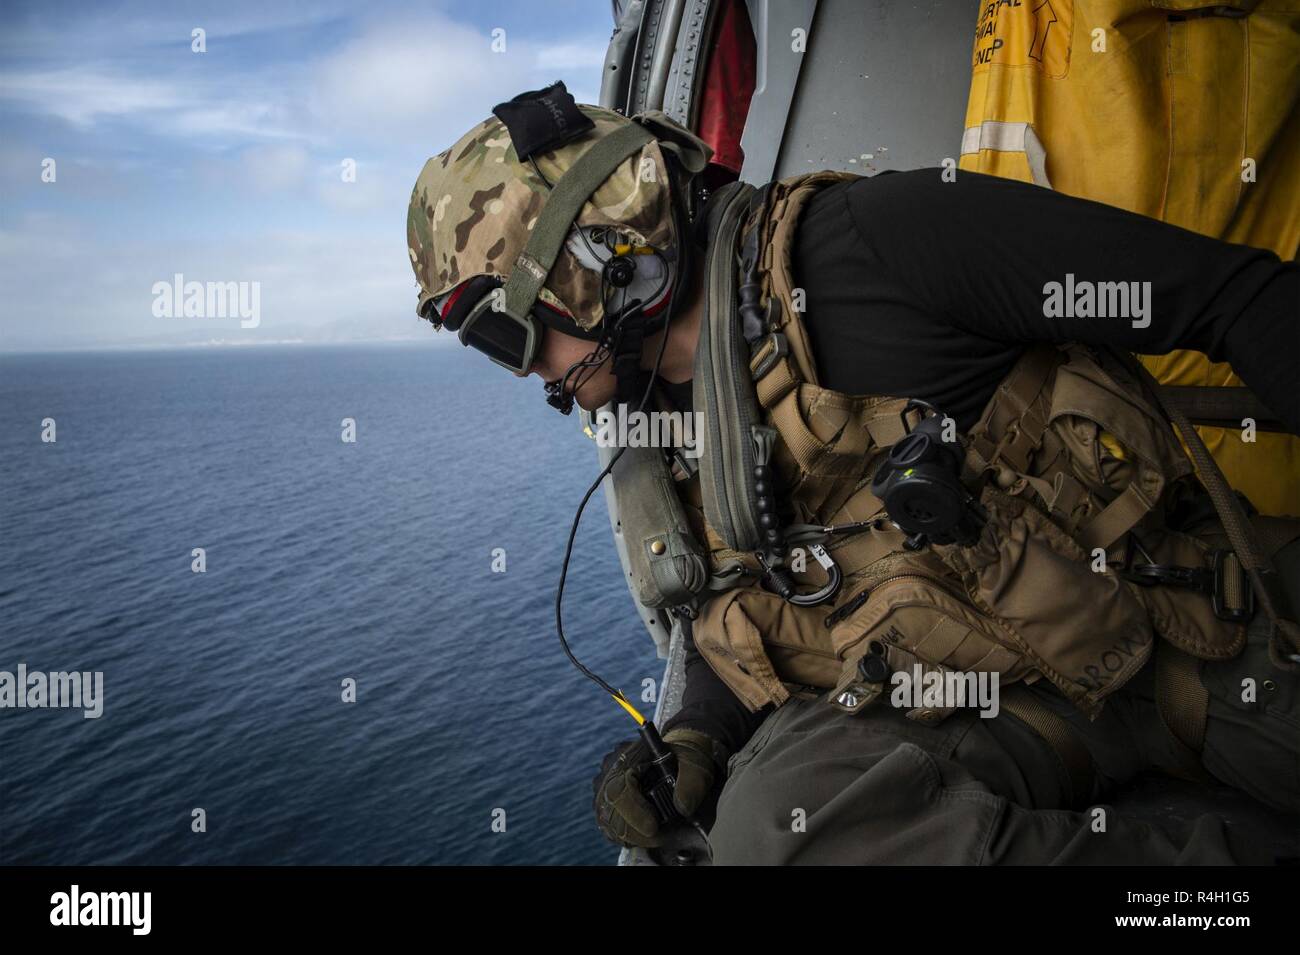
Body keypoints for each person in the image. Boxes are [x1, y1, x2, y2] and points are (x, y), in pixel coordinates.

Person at [407, 83, 1300, 864]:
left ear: (601, 263)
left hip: (1196, 629)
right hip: (997, 698)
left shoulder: (878, 242)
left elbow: (1236, 298)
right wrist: (693, 737)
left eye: (504, 335)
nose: (524, 371)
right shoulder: (667, 416)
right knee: (772, 833)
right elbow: (739, 598)